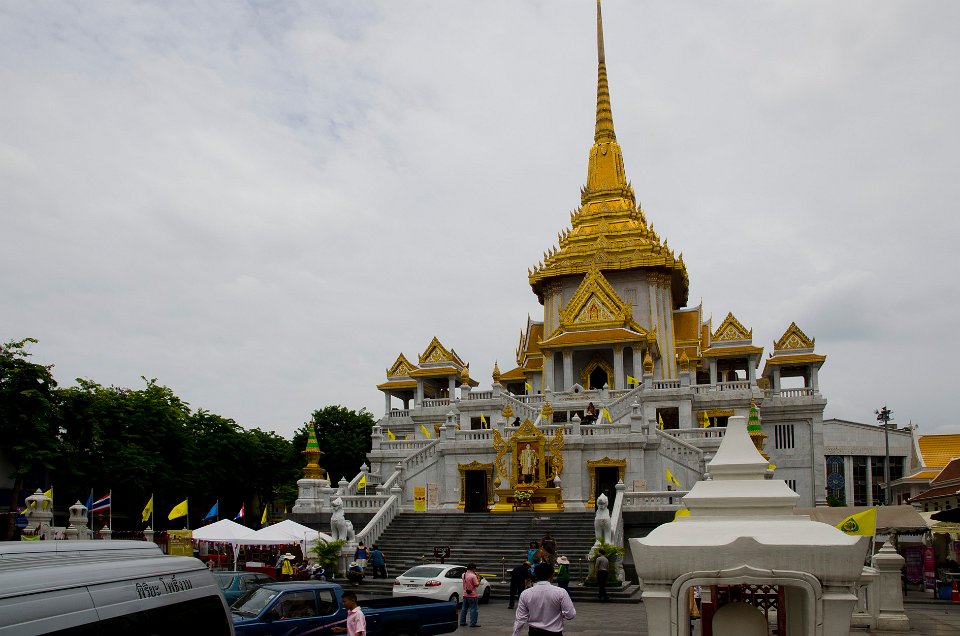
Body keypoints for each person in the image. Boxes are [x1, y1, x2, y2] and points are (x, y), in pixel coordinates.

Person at [513, 562, 576, 636]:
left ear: (536, 575)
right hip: (554, 633)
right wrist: (561, 614)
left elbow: (520, 618)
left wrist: (515, 634)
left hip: (534, 632)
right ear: (552, 575)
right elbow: (571, 614)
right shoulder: (560, 592)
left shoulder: (526, 593)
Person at [459, 563, 481, 628]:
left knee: (464, 609)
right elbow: (476, 584)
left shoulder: (463, 574)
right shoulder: (473, 576)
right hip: (472, 595)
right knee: (473, 609)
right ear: (473, 568)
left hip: (465, 594)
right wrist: (479, 579)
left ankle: (462, 622)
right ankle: (473, 623)